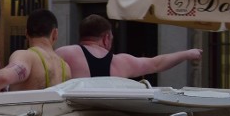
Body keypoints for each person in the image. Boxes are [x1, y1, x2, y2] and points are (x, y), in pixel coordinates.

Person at [56, 14, 202, 79]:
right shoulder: (120, 62)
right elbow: (156, 64)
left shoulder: (64, 54)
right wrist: (188, 53)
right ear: (106, 38)